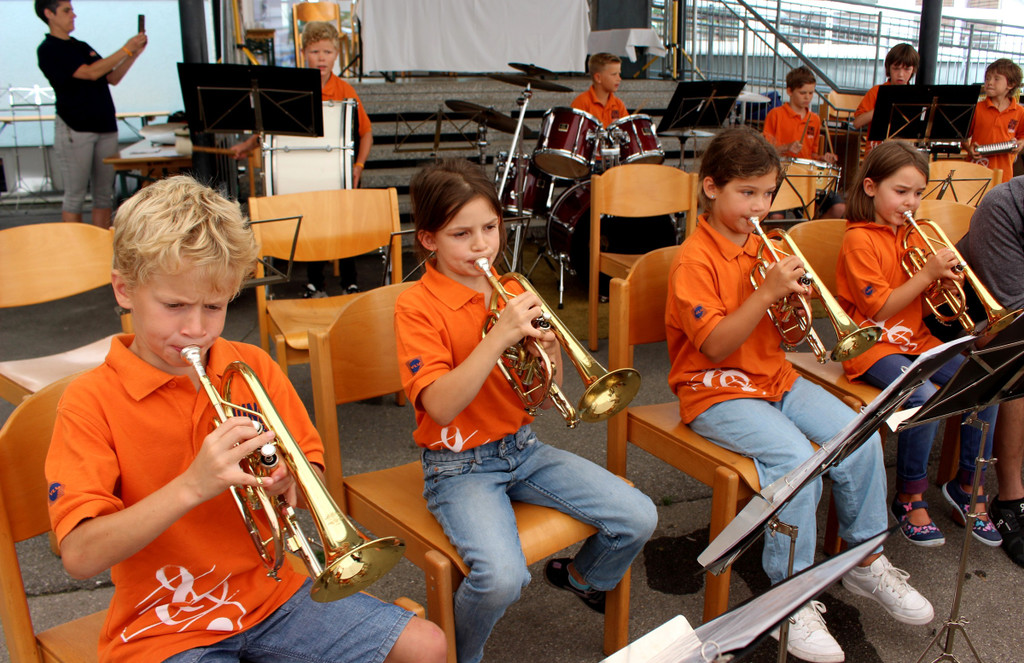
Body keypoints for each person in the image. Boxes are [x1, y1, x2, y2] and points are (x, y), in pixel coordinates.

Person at [45, 175, 446, 663]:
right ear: (124, 289)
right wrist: (193, 485)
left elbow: (312, 475)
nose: (196, 329)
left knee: (427, 646)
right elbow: (80, 556)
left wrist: (288, 480)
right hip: (164, 622)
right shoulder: (89, 402)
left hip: (271, 592)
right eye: (174, 306)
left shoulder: (250, 366)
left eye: (213, 307)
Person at [666, 127, 933, 663]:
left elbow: (790, 335)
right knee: (796, 460)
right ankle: (787, 596)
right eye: (747, 193)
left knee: (859, 434)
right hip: (714, 392)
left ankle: (865, 560)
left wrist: (796, 305)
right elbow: (716, 345)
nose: (759, 207)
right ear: (712, 187)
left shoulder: (770, 245)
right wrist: (767, 293)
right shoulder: (694, 260)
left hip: (774, 378)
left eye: (768, 194)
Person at [393, 158, 657, 663]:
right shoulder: (416, 306)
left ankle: (582, 578)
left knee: (638, 515)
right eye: (461, 234)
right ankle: (459, 655)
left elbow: (542, 394)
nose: (481, 246)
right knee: (502, 578)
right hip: (459, 466)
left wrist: (550, 355)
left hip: (523, 448)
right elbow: (440, 406)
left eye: (490, 228)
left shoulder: (513, 290)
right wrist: (498, 337)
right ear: (428, 240)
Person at [834, 140, 1000, 550]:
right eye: (901, 191)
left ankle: (970, 484)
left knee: (985, 379)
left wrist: (943, 287)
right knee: (921, 394)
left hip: (913, 340)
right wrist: (926, 274)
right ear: (870, 187)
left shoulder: (909, 234)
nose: (910, 202)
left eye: (918, 193)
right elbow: (879, 307)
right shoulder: (859, 239)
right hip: (870, 346)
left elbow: (922, 307)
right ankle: (909, 494)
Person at [232, 20, 372, 297]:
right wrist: (248, 145)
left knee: (344, 223)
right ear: (303, 52)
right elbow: (271, 129)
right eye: (315, 51)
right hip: (305, 171)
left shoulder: (345, 91)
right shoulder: (292, 88)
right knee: (311, 223)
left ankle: (350, 282)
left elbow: (366, 133)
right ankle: (315, 282)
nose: (321, 58)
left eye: (328, 52)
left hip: (337, 172)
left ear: (336, 55)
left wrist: (358, 166)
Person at [35, 0, 147, 229]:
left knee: (104, 194)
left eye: (72, 10)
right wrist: (126, 49)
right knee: (75, 195)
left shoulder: (81, 46)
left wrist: (133, 54)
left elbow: (111, 76)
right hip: (75, 128)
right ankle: (74, 245)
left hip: (105, 125)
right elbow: (89, 73)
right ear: (49, 14)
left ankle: (101, 243)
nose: (73, 15)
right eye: (66, 10)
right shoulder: (49, 49)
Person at [957, 173, 1024, 566]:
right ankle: (1011, 496)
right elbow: (1014, 316)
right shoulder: (1004, 205)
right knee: (1017, 357)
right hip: (980, 321)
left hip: (1010, 314)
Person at [762, 66, 844, 219]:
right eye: (803, 93)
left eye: (811, 93)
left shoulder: (815, 119)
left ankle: (812, 230)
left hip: (808, 177)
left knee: (839, 208)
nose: (807, 97)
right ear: (789, 91)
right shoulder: (776, 115)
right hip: (781, 176)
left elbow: (812, 154)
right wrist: (786, 147)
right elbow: (765, 151)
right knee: (776, 217)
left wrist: (822, 158)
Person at [964, 58, 1024, 185]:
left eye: (996, 79)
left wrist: (1020, 144)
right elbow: (962, 137)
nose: (989, 83)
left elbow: (1022, 137)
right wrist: (969, 148)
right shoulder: (976, 108)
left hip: (1004, 175)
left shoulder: (1020, 112)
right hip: (975, 171)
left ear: (1011, 84)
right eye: (987, 78)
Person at [852, 43, 919, 156]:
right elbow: (857, 123)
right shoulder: (876, 91)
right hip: (878, 154)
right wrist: (883, 108)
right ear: (888, 68)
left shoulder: (916, 95)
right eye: (896, 68)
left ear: (913, 70)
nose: (901, 74)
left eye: (907, 69)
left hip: (904, 153)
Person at [572, 52, 627, 126]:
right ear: (598, 78)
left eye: (619, 74)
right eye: (614, 74)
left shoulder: (618, 104)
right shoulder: (581, 102)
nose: (619, 79)